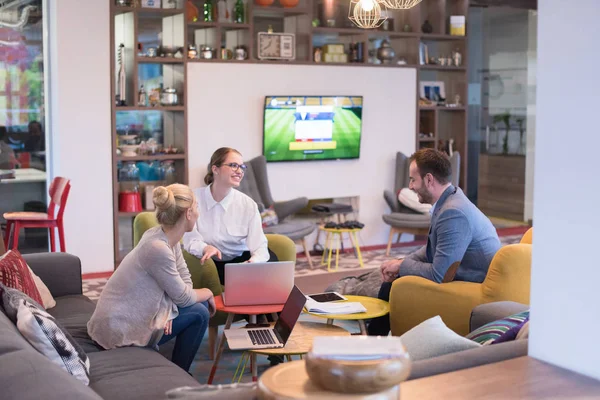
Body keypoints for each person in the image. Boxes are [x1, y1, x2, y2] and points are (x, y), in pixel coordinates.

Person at [368, 149, 501, 336]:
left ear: (429, 180)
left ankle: (373, 344)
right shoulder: (451, 200)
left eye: (413, 180)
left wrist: (401, 267)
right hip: (457, 272)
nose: (410, 186)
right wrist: (399, 262)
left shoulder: (453, 213)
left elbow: (439, 274)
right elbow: (432, 249)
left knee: (390, 286)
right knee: (385, 275)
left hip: (472, 287)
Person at [88, 184, 216, 372]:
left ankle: (175, 370)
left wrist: (171, 310)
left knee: (198, 306)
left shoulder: (167, 238)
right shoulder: (158, 248)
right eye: (196, 207)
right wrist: (208, 292)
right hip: (118, 329)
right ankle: (179, 374)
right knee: (200, 311)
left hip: (126, 316)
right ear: (188, 213)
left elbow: (185, 282)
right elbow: (185, 296)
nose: (198, 213)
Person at [183, 147, 277, 286]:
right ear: (215, 169)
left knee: (273, 266)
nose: (239, 171)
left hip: (242, 261)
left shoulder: (248, 205)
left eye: (242, 167)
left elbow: (259, 245)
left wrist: (252, 262)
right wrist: (205, 248)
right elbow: (190, 241)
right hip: (211, 262)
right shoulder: (194, 199)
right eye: (233, 165)